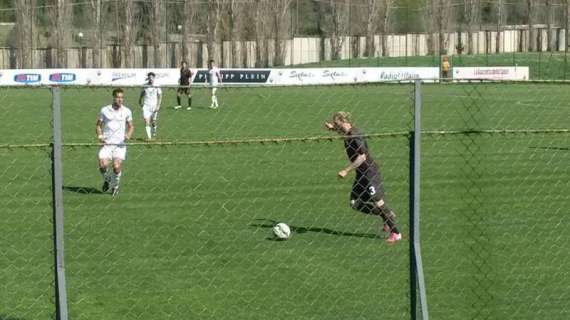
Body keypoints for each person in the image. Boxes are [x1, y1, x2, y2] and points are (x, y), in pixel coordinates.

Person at [324, 112, 402, 243]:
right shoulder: (348, 132)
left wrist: (346, 170)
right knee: (355, 203)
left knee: (377, 200)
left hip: (370, 173)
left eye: (337, 123)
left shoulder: (355, 135)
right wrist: (333, 129)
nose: (337, 126)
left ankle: (395, 232)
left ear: (343, 121)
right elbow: (344, 133)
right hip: (361, 175)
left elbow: (362, 157)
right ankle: (386, 214)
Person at [96, 88, 134, 198]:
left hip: (119, 145)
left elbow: (131, 126)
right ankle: (107, 180)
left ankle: (115, 186)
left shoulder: (127, 111)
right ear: (113, 97)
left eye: (122, 97)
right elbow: (98, 125)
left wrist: (128, 135)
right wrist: (100, 136)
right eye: (118, 97)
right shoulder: (105, 110)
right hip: (107, 144)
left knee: (116, 166)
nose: (120, 100)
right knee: (103, 165)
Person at [139, 72, 162, 140]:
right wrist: (140, 100)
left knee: (153, 121)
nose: (151, 79)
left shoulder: (157, 85)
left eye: (152, 78)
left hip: (154, 106)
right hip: (146, 106)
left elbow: (160, 96)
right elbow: (142, 93)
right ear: (148, 78)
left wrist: (158, 106)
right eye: (149, 78)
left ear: (154, 78)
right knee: (146, 121)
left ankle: (154, 131)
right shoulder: (145, 86)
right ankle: (149, 138)